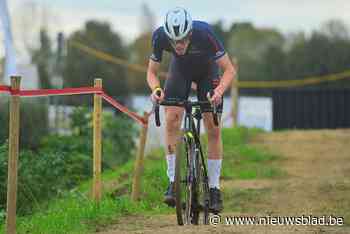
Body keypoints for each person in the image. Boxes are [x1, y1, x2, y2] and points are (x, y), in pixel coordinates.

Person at [146, 7, 236, 213]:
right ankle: (172, 181)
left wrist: (219, 92)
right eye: (174, 41)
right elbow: (151, 72)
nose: (178, 45)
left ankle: (214, 189)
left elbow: (230, 70)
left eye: (183, 40)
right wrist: (156, 89)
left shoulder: (205, 33)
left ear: (190, 33)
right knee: (171, 119)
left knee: (213, 128)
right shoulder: (159, 36)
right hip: (181, 72)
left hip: (208, 72)